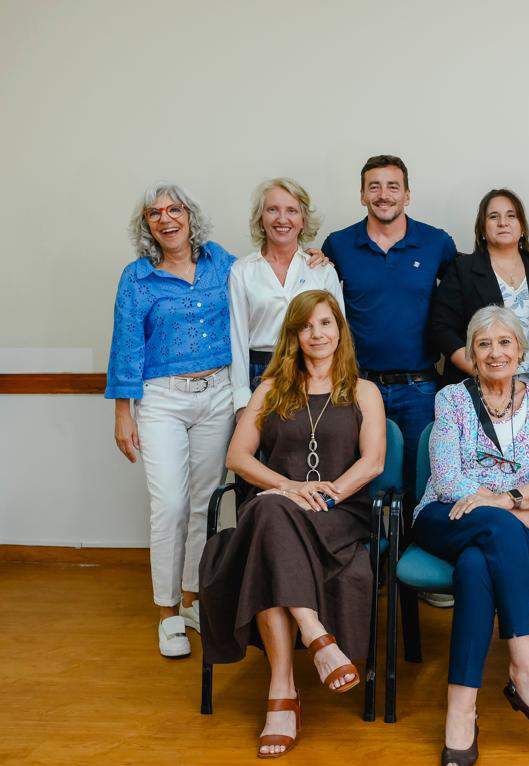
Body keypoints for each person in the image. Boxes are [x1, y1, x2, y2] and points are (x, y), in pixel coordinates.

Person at [201, 290, 386, 758]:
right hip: (277, 505)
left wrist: (325, 493)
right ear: (294, 336)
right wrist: (288, 487)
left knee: (264, 525)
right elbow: (237, 457)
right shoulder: (270, 390)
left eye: (326, 324)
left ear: (339, 331)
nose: (317, 334)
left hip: (338, 512)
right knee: (268, 512)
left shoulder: (363, 391)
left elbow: (373, 462)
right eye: (307, 326)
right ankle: (315, 636)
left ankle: (282, 694)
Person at [412, 305, 529, 766]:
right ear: (472, 354)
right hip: (446, 515)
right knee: (499, 528)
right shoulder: (452, 399)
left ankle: (460, 713)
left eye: (505, 342)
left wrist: (504, 500)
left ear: (520, 350)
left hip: (496, 527)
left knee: (475, 566)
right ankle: (525, 666)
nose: (495, 352)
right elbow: (446, 479)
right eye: (484, 344)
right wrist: (524, 514)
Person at [107, 182, 236, 658]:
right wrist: (124, 412)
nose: (166, 218)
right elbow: (126, 344)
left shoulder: (221, 261)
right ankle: (166, 612)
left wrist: (311, 259)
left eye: (174, 209)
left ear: (189, 215)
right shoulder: (137, 277)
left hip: (218, 394)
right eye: (154, 213)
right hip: (162, 399)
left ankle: (193, 600)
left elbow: (266, 282)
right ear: (147, 225)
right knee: (171, 505)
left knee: (205, 503)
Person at [320, 154, 456, 503]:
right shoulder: (338, 245)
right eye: (374, 187)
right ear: (362, 195)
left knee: (419, 486)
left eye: (393, 187)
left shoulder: (436, 243)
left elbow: (458, 305)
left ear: (407, 194)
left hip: (420, 388)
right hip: (356, 386)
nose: (384, 195)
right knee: (355, 483)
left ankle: (408, 555)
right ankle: (364, 557)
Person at [228, 178, 344, 414]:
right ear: (261, 219)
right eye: (272, 210)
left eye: (291, 211)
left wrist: (338, 384)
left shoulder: (322, 270)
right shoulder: (242, 271)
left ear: (303, 221)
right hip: (262, 373)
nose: (282, 219)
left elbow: (340, 335)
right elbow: (236, 339)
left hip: (315, 372)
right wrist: (241, 401)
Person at [431, 189, 529, 387]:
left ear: (522, 226)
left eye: (511, 215)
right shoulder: (462, 269)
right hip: (477, 385)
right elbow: (441, 329)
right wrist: (485, 373)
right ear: (482, 229)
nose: (503, 222)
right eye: (493, 217)